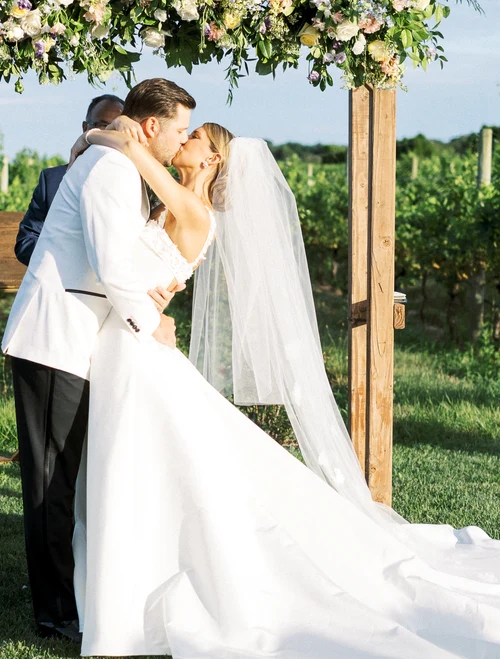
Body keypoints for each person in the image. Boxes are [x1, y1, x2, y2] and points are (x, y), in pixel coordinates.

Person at [67, 115, 500, 658]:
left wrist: (97, 135)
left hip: (137, 348)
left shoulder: (192, 208)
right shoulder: (169, 204)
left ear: (211, 160)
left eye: (193, 136)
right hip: (128, 342)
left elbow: (134, 154)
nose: (183, 140)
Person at [1, 79, 195, 643]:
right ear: (152, 126)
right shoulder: (110, 170)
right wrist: (150, 322)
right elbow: (109, 262)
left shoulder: (117, 162)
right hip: (53, 338)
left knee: (64, 476)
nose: (182, 141)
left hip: (76, 339)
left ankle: (68, 600)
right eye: (180, 129)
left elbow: (118, 258)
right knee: (50, 481)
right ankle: (55, 613)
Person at [15, 94, 125, 266]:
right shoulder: (52, 180)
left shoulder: (136, 182)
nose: (108, 135)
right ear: (85, 128)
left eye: (116, 129)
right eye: (103, 125)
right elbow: (26, 242)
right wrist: (68, 259)